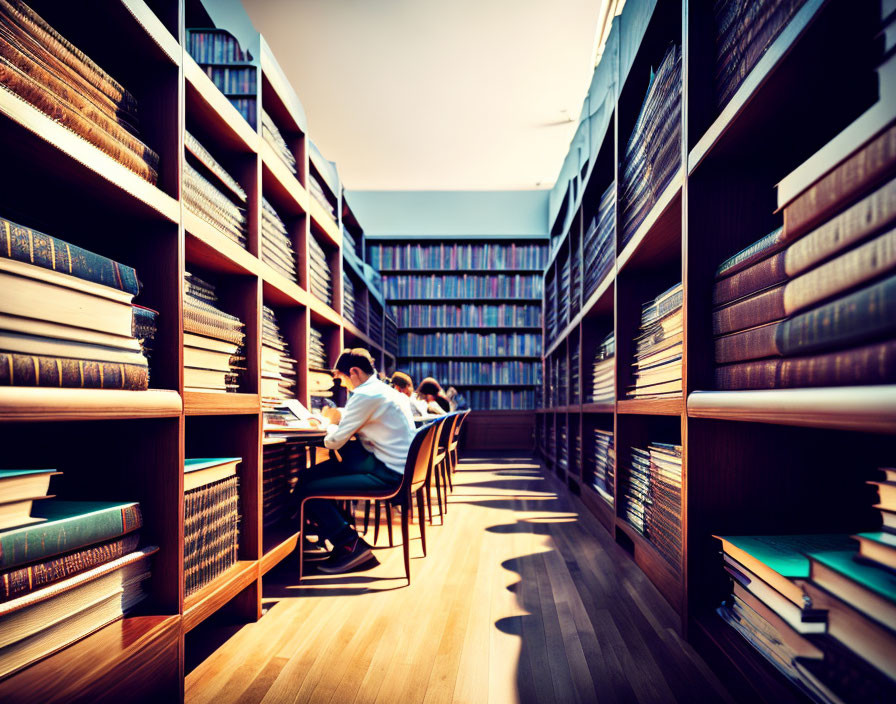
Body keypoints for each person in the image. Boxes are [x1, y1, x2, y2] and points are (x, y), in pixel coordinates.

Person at [295, 348, 415, 574]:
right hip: (394, 465)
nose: (341, 385)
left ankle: (349, 544)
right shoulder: (384, 390)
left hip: (386, 473)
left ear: (354, 371)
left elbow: (333, 442)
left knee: (308, 490)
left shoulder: (364, 395)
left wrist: (329, 422)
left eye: (340, 378)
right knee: (307, 476)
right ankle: (320, 537)